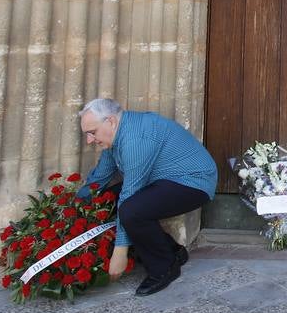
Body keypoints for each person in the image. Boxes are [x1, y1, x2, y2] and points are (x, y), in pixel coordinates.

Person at [78, 98, 218, 296]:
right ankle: (174, 251)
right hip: (163, 180)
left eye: (92, 133)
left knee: (131, 211)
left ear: (110, 121)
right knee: (106, 199)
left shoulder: (135, 140)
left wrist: (120, 251)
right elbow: (100, 177)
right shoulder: (115, 136)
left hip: (194, 182)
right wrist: (74, 204)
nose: (89, 140)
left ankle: (164, 268)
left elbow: (129, 195)